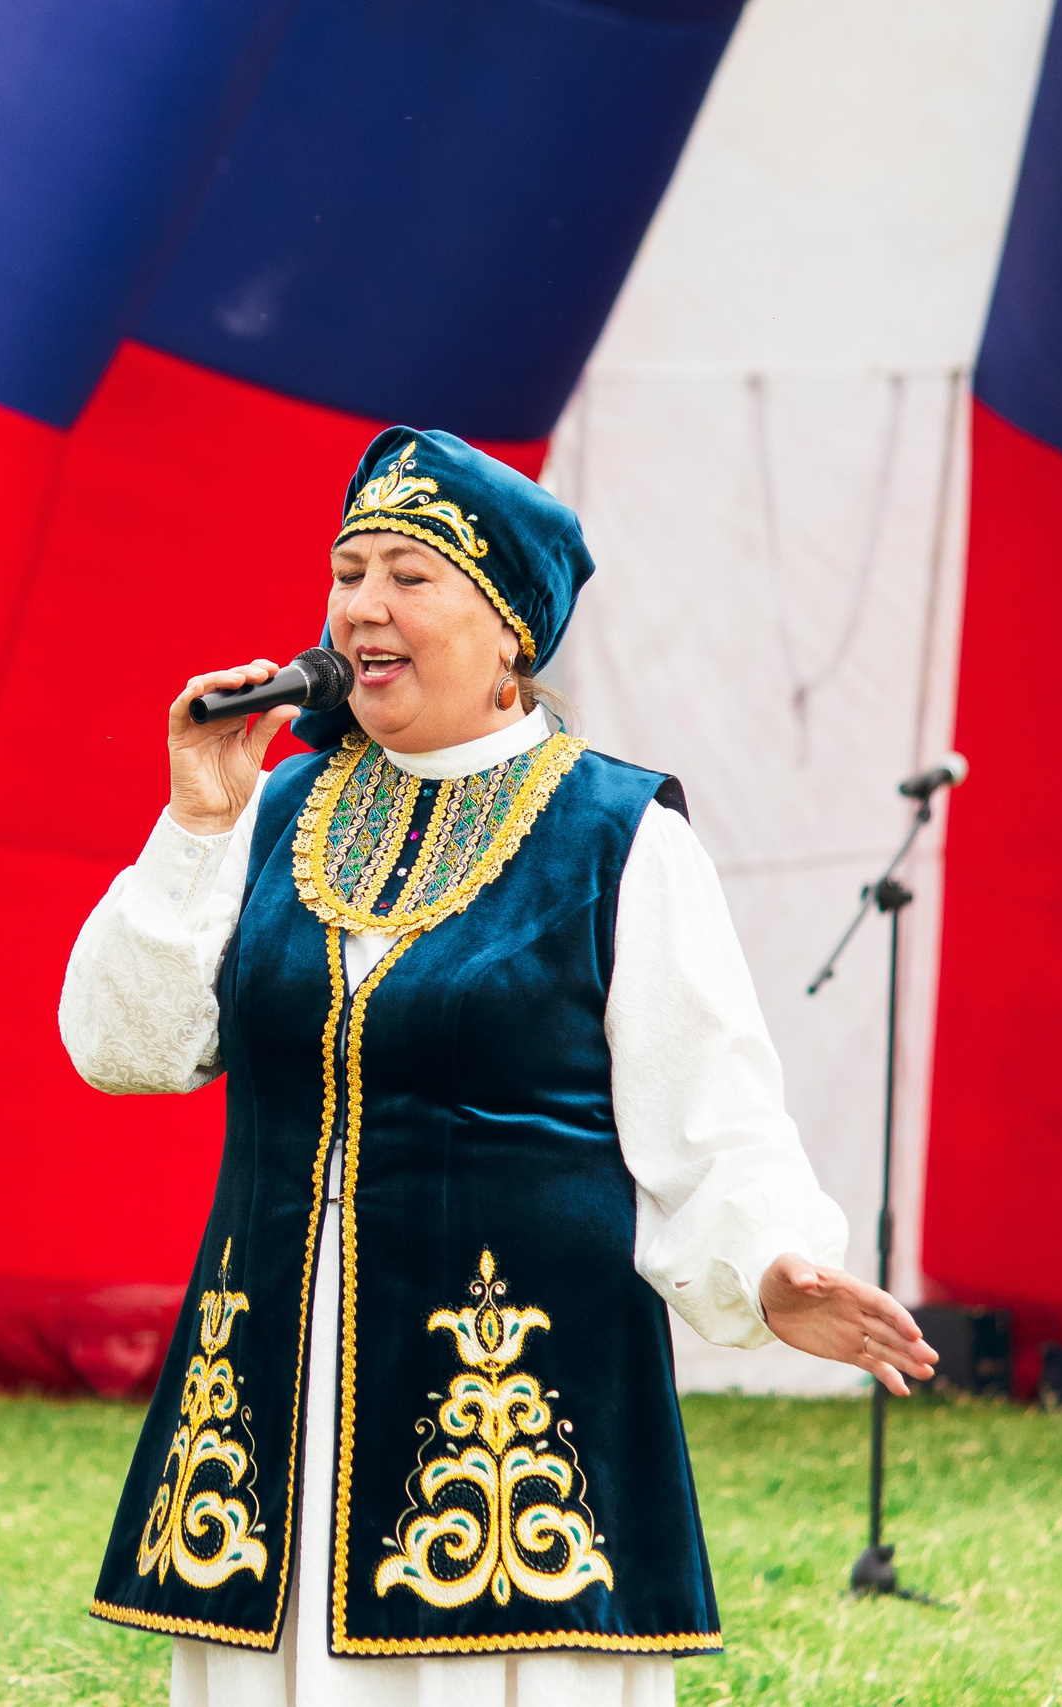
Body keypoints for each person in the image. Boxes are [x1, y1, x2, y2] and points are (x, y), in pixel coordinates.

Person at [60, 430, 936, 1705]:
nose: (362, 605)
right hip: (270, 1406)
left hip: (512, 1413)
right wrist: (196, 818)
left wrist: (769, 1258)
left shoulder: (616, 835)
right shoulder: (269, 811)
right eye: (347, 570)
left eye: (408, 575)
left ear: (509, 628)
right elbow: (121, 1050)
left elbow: (712, 1114)